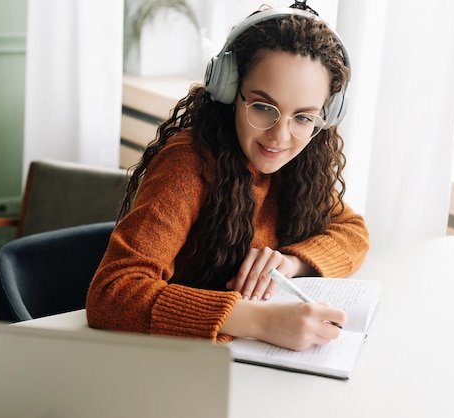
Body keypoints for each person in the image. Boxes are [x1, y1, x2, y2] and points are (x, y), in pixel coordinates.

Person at [86, 1, 369, 352]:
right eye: (263, 107)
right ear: (229, 89)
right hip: (171, 361)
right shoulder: (188, 165)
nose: (280, 136)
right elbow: (113, 293)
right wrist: (261, 321)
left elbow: (353, 231)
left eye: (303, 117)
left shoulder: (300, 161)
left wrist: (291, 262)